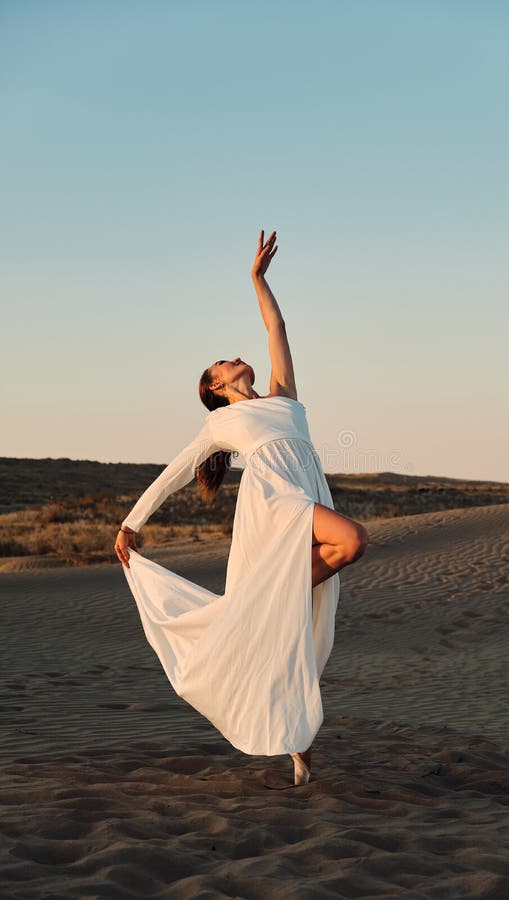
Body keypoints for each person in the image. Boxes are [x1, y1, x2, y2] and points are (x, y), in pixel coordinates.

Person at [114, 229, 369, 785]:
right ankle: (255, 607)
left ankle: (292, 731)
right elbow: (177, 471)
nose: (235, 358)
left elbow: (277, 329)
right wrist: (133, 522)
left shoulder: (283, 395)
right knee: (353, 541)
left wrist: (257, 279)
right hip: (276, 499)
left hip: (307, 490)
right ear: (216, 385)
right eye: (222, 363)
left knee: (305, 615)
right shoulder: (218, 423)